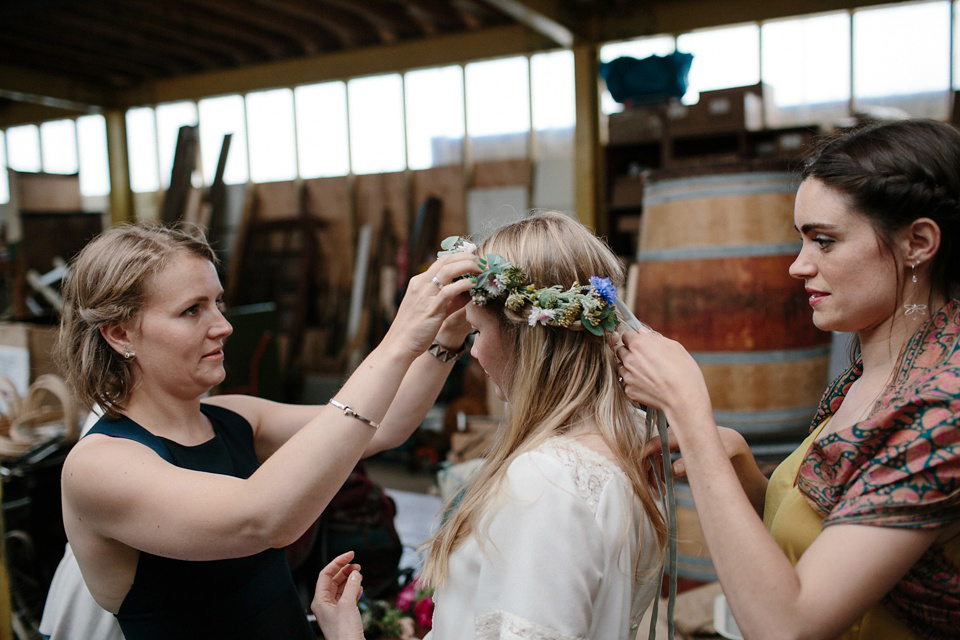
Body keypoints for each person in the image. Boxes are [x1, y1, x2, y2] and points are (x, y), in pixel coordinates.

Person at [616, 118, 960, 639]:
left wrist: (689, 411)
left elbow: (787, 625)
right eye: (802, 240)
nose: (798, 266)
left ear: (918, 242)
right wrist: (738, 469)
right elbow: (827, 532)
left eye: (825, 241)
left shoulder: (943, 408)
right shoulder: (873, 372)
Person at [54, 222, 481, 640]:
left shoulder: (234, 418)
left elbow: (382, 427)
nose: (223, 326)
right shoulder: (98, 465)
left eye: (218, 303)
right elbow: (261, 519)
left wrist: (445, 337)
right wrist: (398, 340)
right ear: (119, 333)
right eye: (191, 310)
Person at [313, 211, 669, 639]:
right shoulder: (635, 438)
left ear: (525, 337)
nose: (476, 354)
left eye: (477, 332)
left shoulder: (544, 481)